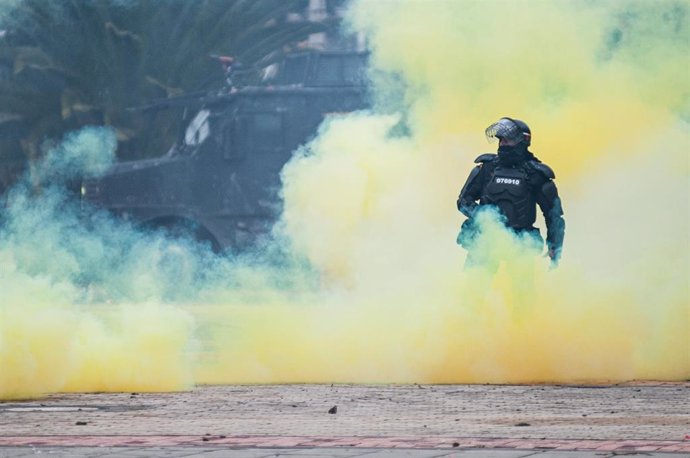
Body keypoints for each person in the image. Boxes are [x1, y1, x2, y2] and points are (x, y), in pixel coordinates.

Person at [456, 117, 565, 269]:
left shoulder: (535, 174)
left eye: (507, 140)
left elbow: (553, 215)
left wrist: (554, 246)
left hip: (520, 243)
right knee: (472, 287)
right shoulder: (487, 168)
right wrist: (484, 215)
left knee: (521, 291)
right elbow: (463, 202)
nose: (502, 144)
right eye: (501, 140)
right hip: (485, 241)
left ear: (522, 142)